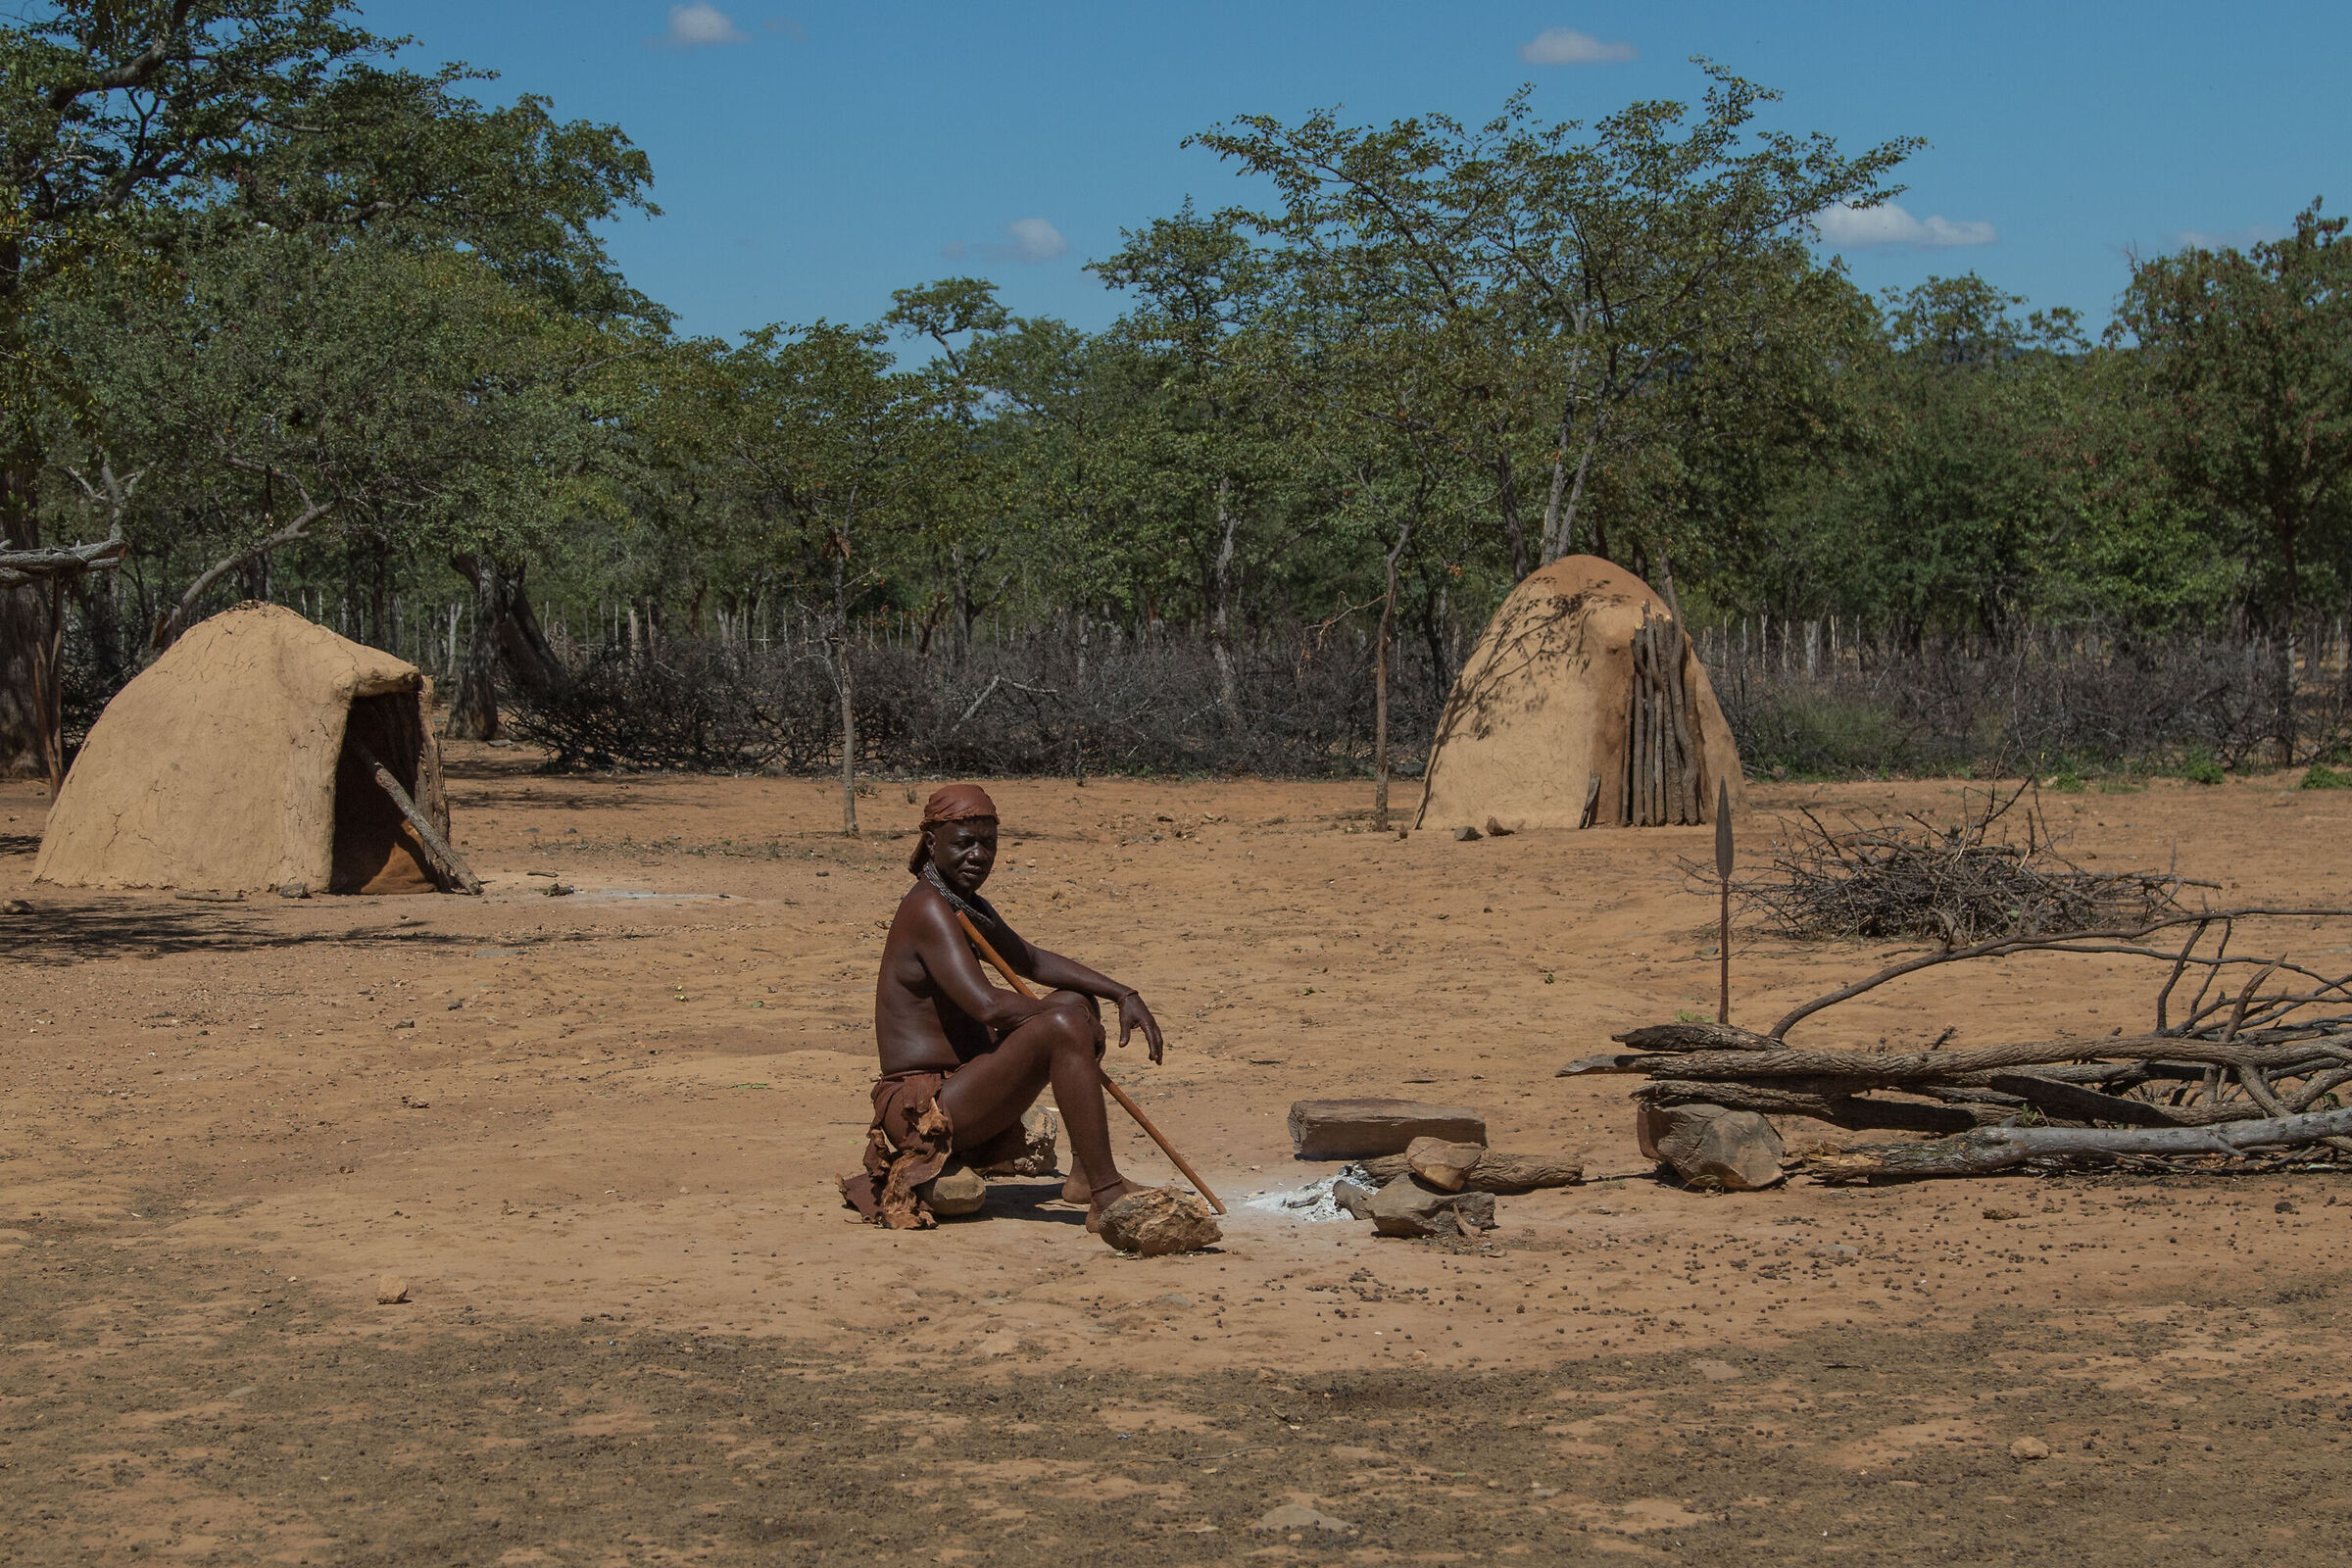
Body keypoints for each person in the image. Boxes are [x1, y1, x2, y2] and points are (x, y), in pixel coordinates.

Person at [840, 783, 1165, 1231]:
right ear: (932, 845)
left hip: (965, 1087)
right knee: (1064, 1021)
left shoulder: (962, 902)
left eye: (988, 844)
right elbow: (987, 1006)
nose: (978, 855)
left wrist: (1121, 993)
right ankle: (1106, 1196)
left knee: (1073, 999)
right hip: (924, 1109)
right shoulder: (927, 909)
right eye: (964, 844)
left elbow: (1029, 960)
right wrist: (1066, 1023)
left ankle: (1086, 1175)